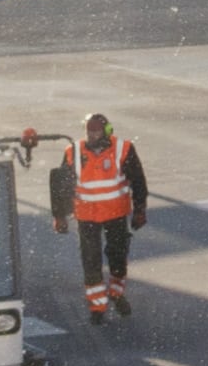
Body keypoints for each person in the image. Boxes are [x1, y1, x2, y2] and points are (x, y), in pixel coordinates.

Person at [61, 111, 148, 322]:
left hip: (115, 214)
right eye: (88, 131)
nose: (91, 136)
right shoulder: (73, 152)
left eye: (96, 131)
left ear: (107, 131)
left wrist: (139, 209)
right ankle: (97, 307)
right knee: (90, 261)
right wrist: (60, 215)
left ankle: (116, 293)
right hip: (87, 216)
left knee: (117, 256)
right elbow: (62, 187)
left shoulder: (123, 149)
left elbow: (138, 181)